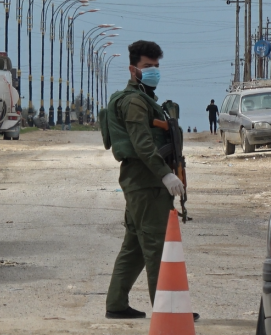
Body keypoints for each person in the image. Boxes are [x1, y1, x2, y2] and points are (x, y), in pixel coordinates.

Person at [103, 40, 198, 321]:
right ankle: (167, 309)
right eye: (147, 67)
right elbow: (143, 145)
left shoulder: (144, 99)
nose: (153, 71)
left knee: (134, 246)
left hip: (142, 183)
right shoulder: (134, 101)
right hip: (146, 184)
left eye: (156, 66)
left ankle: (116, 303)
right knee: (157, 244)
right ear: (134, 70)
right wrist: (166, 174)